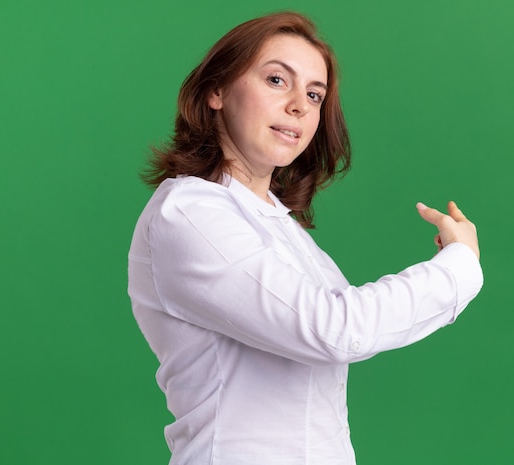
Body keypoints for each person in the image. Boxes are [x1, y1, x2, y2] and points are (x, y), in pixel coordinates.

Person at [128, 11, 483, 465]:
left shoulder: (278, 225)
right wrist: (456, 269)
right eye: (277, 80)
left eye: (315, 95)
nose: (299, 104)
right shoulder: (190, 212)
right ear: (216, 91)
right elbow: (335, 329)